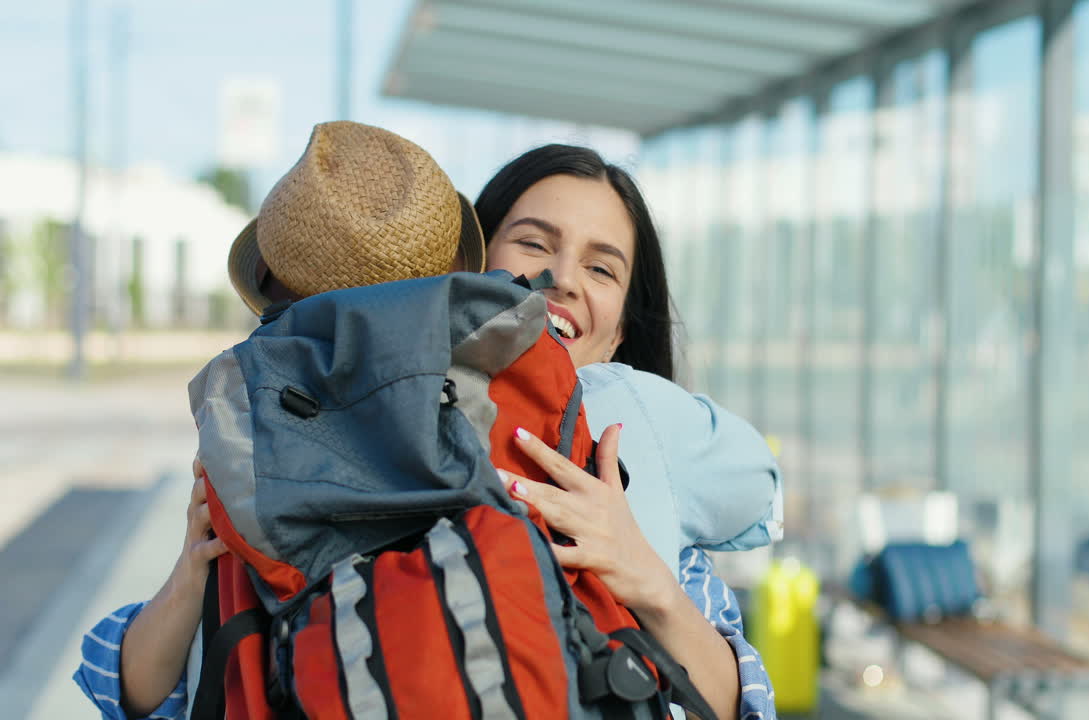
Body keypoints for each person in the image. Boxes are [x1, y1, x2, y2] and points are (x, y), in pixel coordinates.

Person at [74, 123, 779, 720]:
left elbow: (132, 689)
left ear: (625, 325)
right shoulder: (637, 444)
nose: (563, 277)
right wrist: (191, 572)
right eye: (534, 244)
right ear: (467, 272)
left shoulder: (264, 428)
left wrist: (644, 573)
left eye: (603, 269)